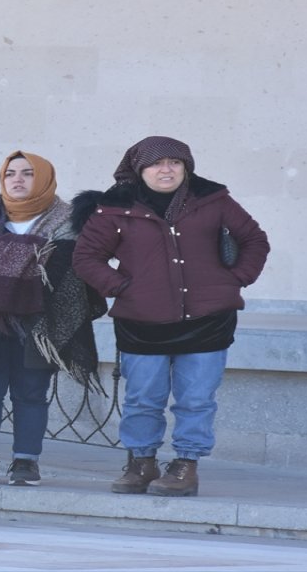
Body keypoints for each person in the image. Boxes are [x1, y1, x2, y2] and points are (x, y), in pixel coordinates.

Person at [72, 136, 269, 497]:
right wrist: (121, 287)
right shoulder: (115, 208)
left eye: (174, 163)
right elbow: (86, 257)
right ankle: (141, 462)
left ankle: (185, 466)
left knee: (196, 399)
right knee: (143, 398)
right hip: (141, 321)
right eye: (156, 164)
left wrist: (235, 280)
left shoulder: (215, 201)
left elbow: (255, 239)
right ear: (139, 169)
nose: (166, 170)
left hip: (208, 319)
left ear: (186, 168)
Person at [0, 151, 106, 487]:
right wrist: (32, 255)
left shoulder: (67, 220)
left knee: (31, 392)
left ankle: (26, 462)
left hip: (40, 321)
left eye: (27, 173)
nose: (17, 179)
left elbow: (63, 267)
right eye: (10, 173)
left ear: (45, 178)